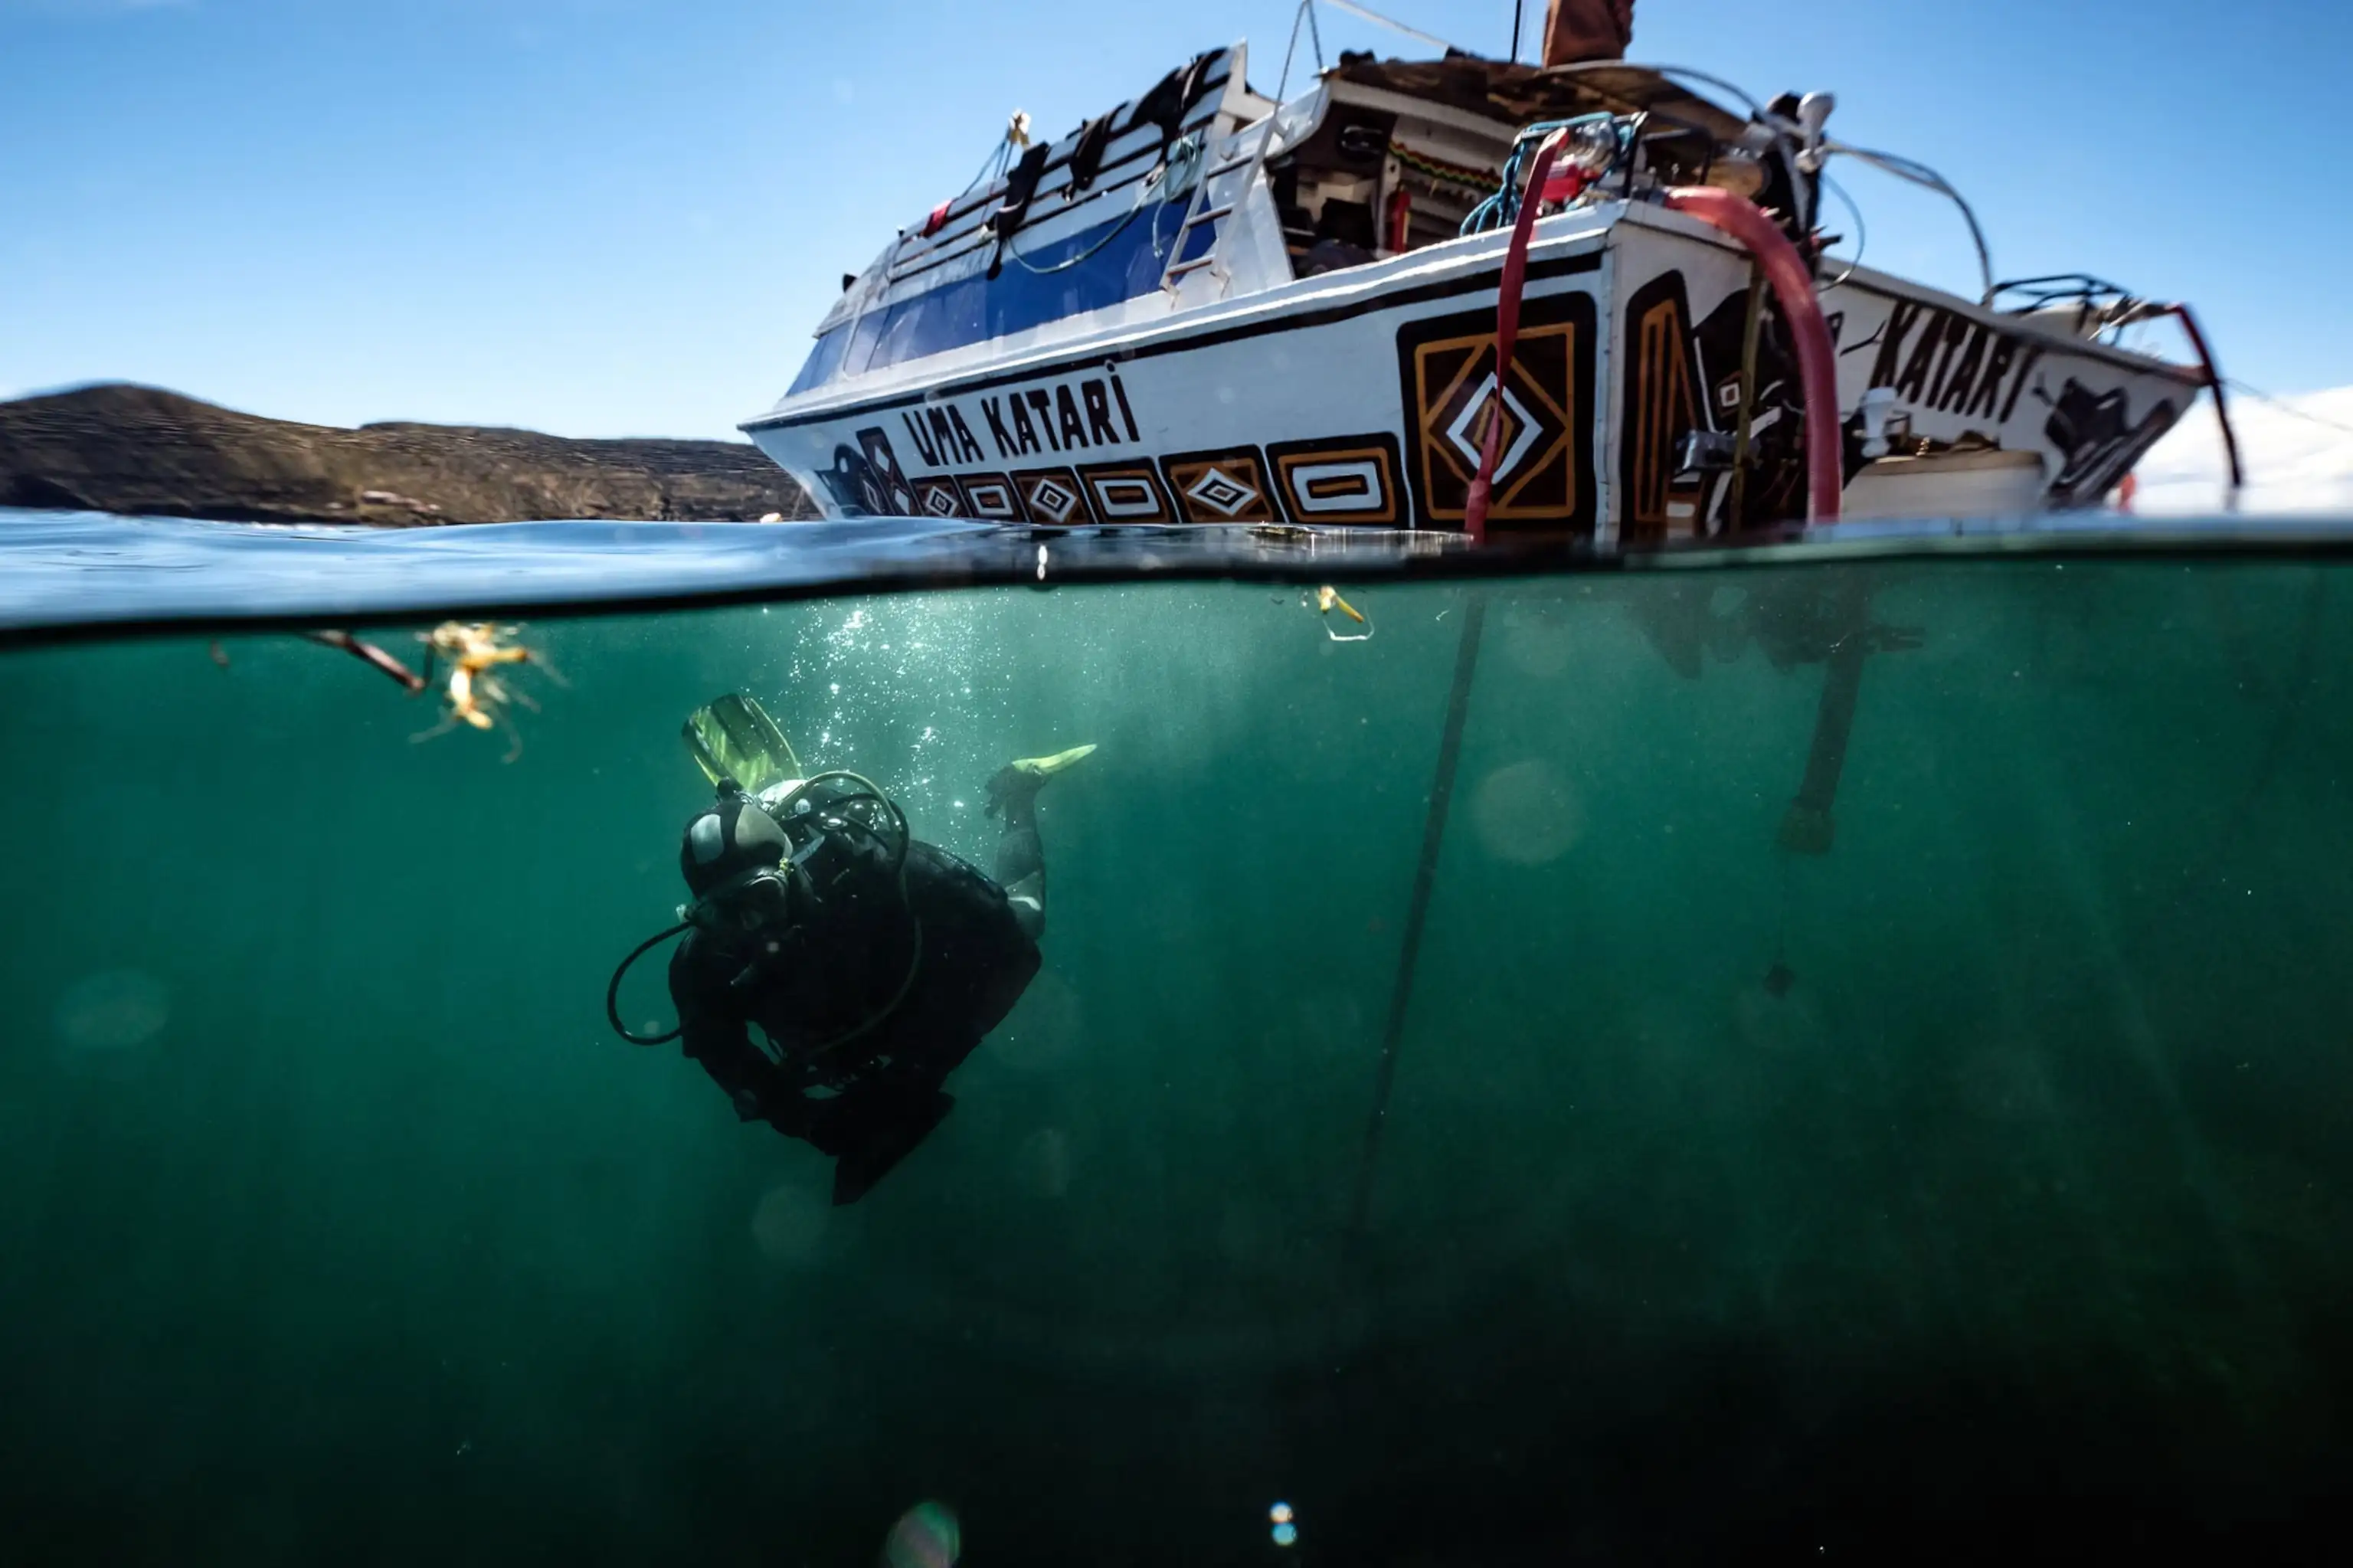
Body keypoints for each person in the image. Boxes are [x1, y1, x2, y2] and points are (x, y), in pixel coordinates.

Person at [612, 692, 1092, 1205]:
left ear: (791, 873)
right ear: (701, 916)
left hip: (924, 985)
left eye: (761, 899)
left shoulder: (873, 871)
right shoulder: (703, 963)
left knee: (1026, 917)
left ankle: (1018, 793)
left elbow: (1014, 954)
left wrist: (921, 1068)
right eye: (724, 914)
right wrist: (808, 1122)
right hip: (848, 1032)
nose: (750, 929)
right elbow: (720, 1051)